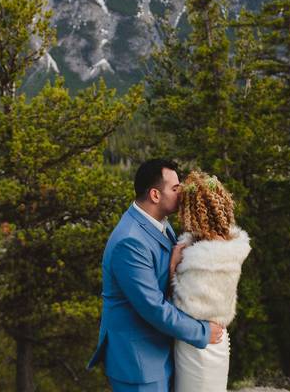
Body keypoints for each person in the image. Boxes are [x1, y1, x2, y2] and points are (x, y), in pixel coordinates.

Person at [88, 159, 225, 391]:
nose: (181, 193)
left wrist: (172, 267)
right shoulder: (129, 241)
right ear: (155, 195)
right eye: (175, 188)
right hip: (138, 361)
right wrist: (202, 332)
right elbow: (153, 308)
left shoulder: (159, 223)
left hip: (158, 351)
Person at [170, 171, 251, 392]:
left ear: (191, 213)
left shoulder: (196, 260)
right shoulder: (232, 249)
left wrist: (171, 267)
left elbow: (176, 305)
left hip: (196, 343)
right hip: (219, 341)